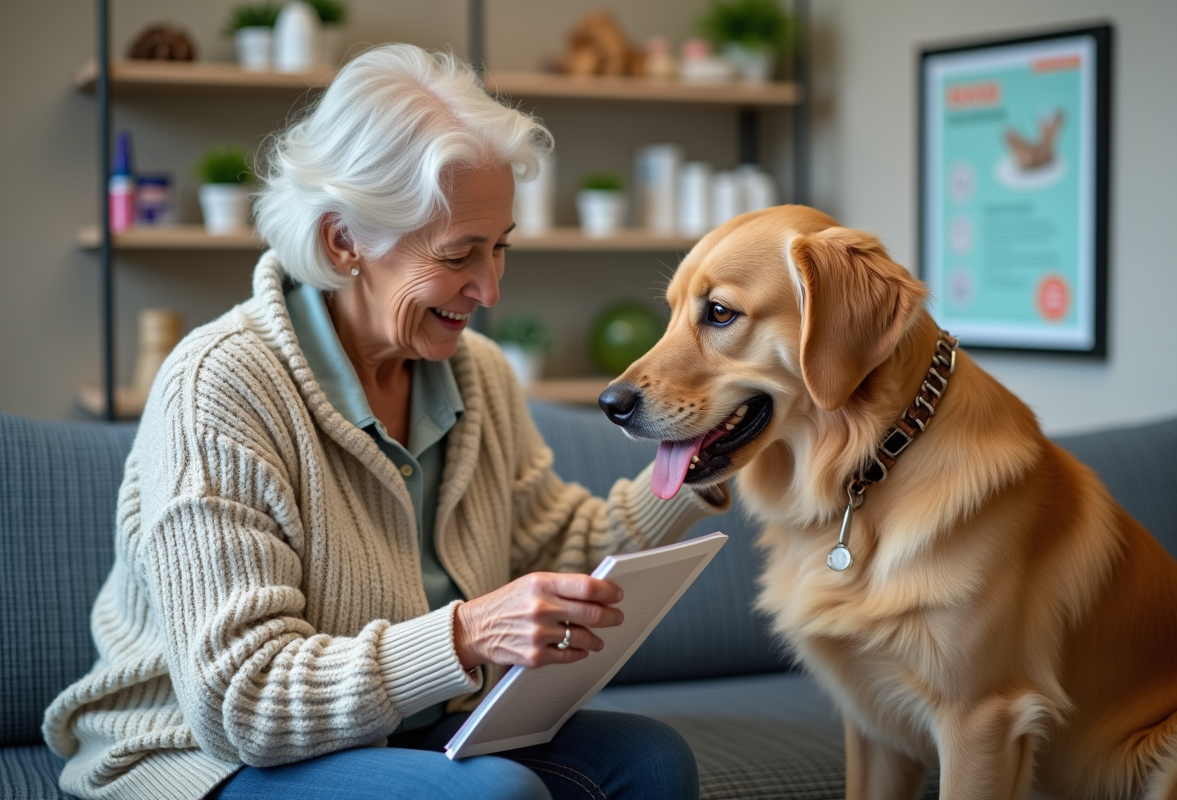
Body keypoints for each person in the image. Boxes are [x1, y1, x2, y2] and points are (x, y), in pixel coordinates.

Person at [43, 44, 729, 800]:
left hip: (407, 724)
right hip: (210, 756)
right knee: (493, 796)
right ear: (345, 240)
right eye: (459, 254)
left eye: (499, 248)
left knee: (653, 761)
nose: (491, 288)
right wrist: (464, 635)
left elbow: (563, 550)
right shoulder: (220, 385)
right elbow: (240, 701)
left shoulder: (479, 375)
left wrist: (703, 461)